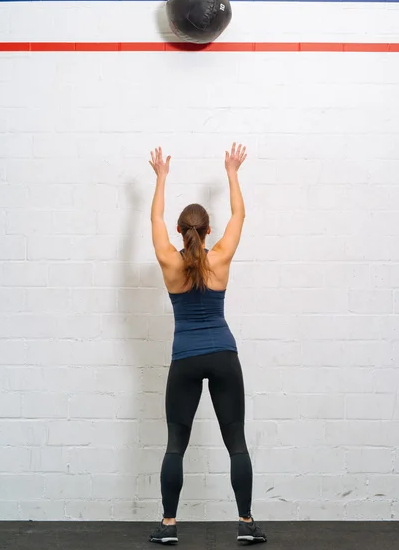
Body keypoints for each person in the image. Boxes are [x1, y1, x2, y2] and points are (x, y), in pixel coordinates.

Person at [148, 143, 267, 545]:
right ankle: (246, 522)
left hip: (185, 358)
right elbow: (240, 215)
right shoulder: (220, 258)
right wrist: (232, 172)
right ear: (207, 232)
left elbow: (155, 219)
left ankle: (168, 526)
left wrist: (161, 177)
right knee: (236, 442)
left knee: (175, 446)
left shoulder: (169, 260)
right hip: (223, 355)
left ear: (180, 233)